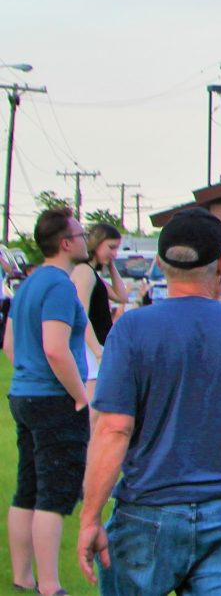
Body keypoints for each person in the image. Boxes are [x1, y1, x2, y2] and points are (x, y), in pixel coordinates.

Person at [77, 208, 221, 595]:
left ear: (161, 264)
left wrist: (90, 518)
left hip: (147, 509)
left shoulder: (131, 329)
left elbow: (113, 428)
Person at [7, 207, 91, 596]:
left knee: (27, 488)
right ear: (64, 243)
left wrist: (30, 373)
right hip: (54, 399)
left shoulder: (28, 283)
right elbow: (57, 350)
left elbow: (9, 344)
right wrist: (80, 397)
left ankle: (23, 577)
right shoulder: (59, 285)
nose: (84, 238)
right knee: (53, 494)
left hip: (23, 394)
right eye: (79, 233)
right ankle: (50, 586)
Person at [73, 222, 126, 400]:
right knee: (93, 408)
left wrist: (111, 266)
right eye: (111, 247)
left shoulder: (92, 274)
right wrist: (97, 352)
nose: (114, 253)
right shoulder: (84, 272)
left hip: (98, 344)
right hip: (90, 348)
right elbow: (81, 314)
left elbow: (121, 296)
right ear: (96, 243)